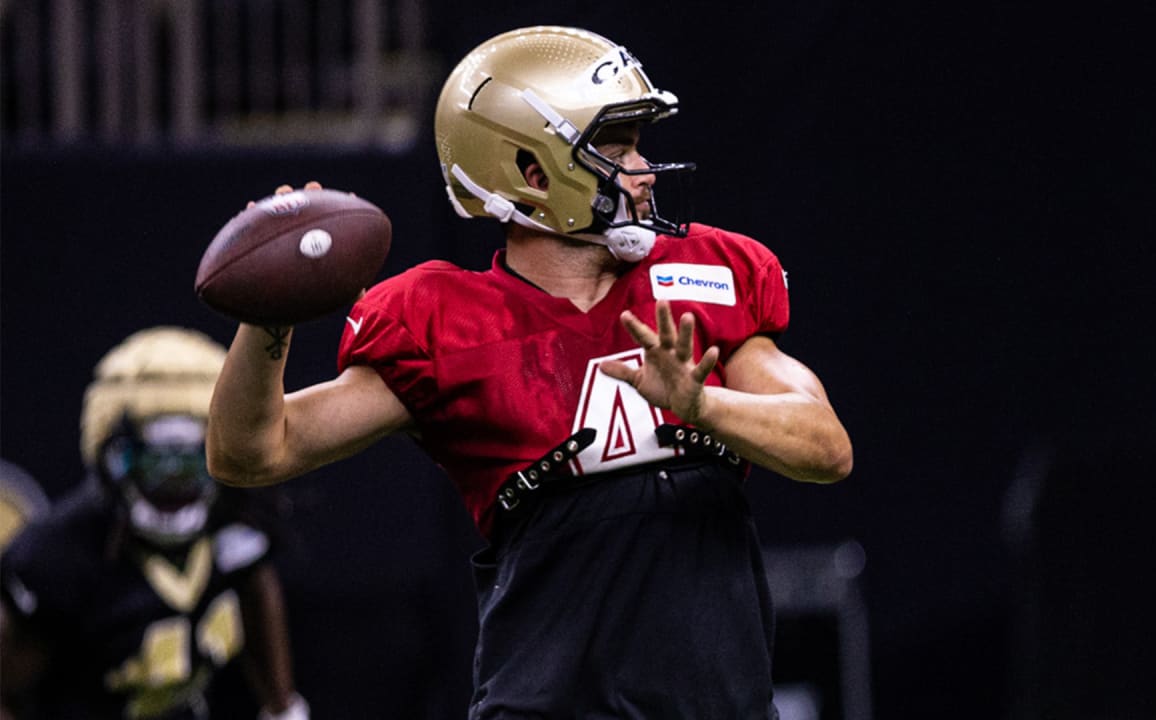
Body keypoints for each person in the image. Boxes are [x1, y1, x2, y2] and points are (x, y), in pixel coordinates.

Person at [206, 25, 852, 719]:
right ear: (534, 173)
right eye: (617, 148)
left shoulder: (704, 274)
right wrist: (268, 319)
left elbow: (827, 449)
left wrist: (705, 407)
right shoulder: (447, 320)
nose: (642, 170)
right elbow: (254, 452)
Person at [0, 327, 309, 720]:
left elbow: (255, 580)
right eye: (158, 465)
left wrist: (282, 706)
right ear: (114, 461)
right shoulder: (56, 557)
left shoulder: (238, 513)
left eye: (192, 465)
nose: (175, 484)